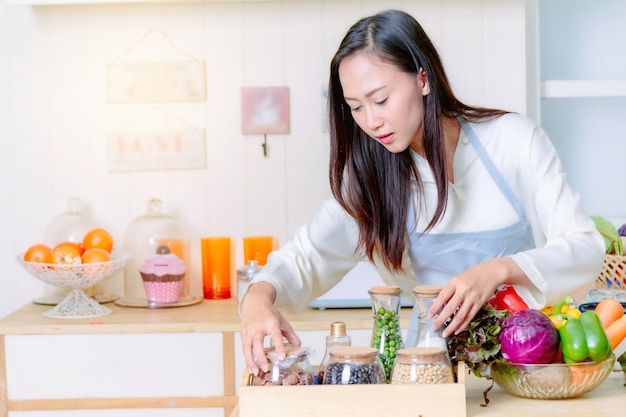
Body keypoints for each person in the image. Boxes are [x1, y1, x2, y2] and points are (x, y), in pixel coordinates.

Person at [239, 9, 605, 375]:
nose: (370, 121)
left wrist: (498, 270)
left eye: (380, 100)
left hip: (523, 367)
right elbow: (306, 255)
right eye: (355, 108)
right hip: (427, 370)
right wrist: (258, 296)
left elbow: (585, 248)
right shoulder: (370, 178)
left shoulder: (514, 140)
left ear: (423, 79)